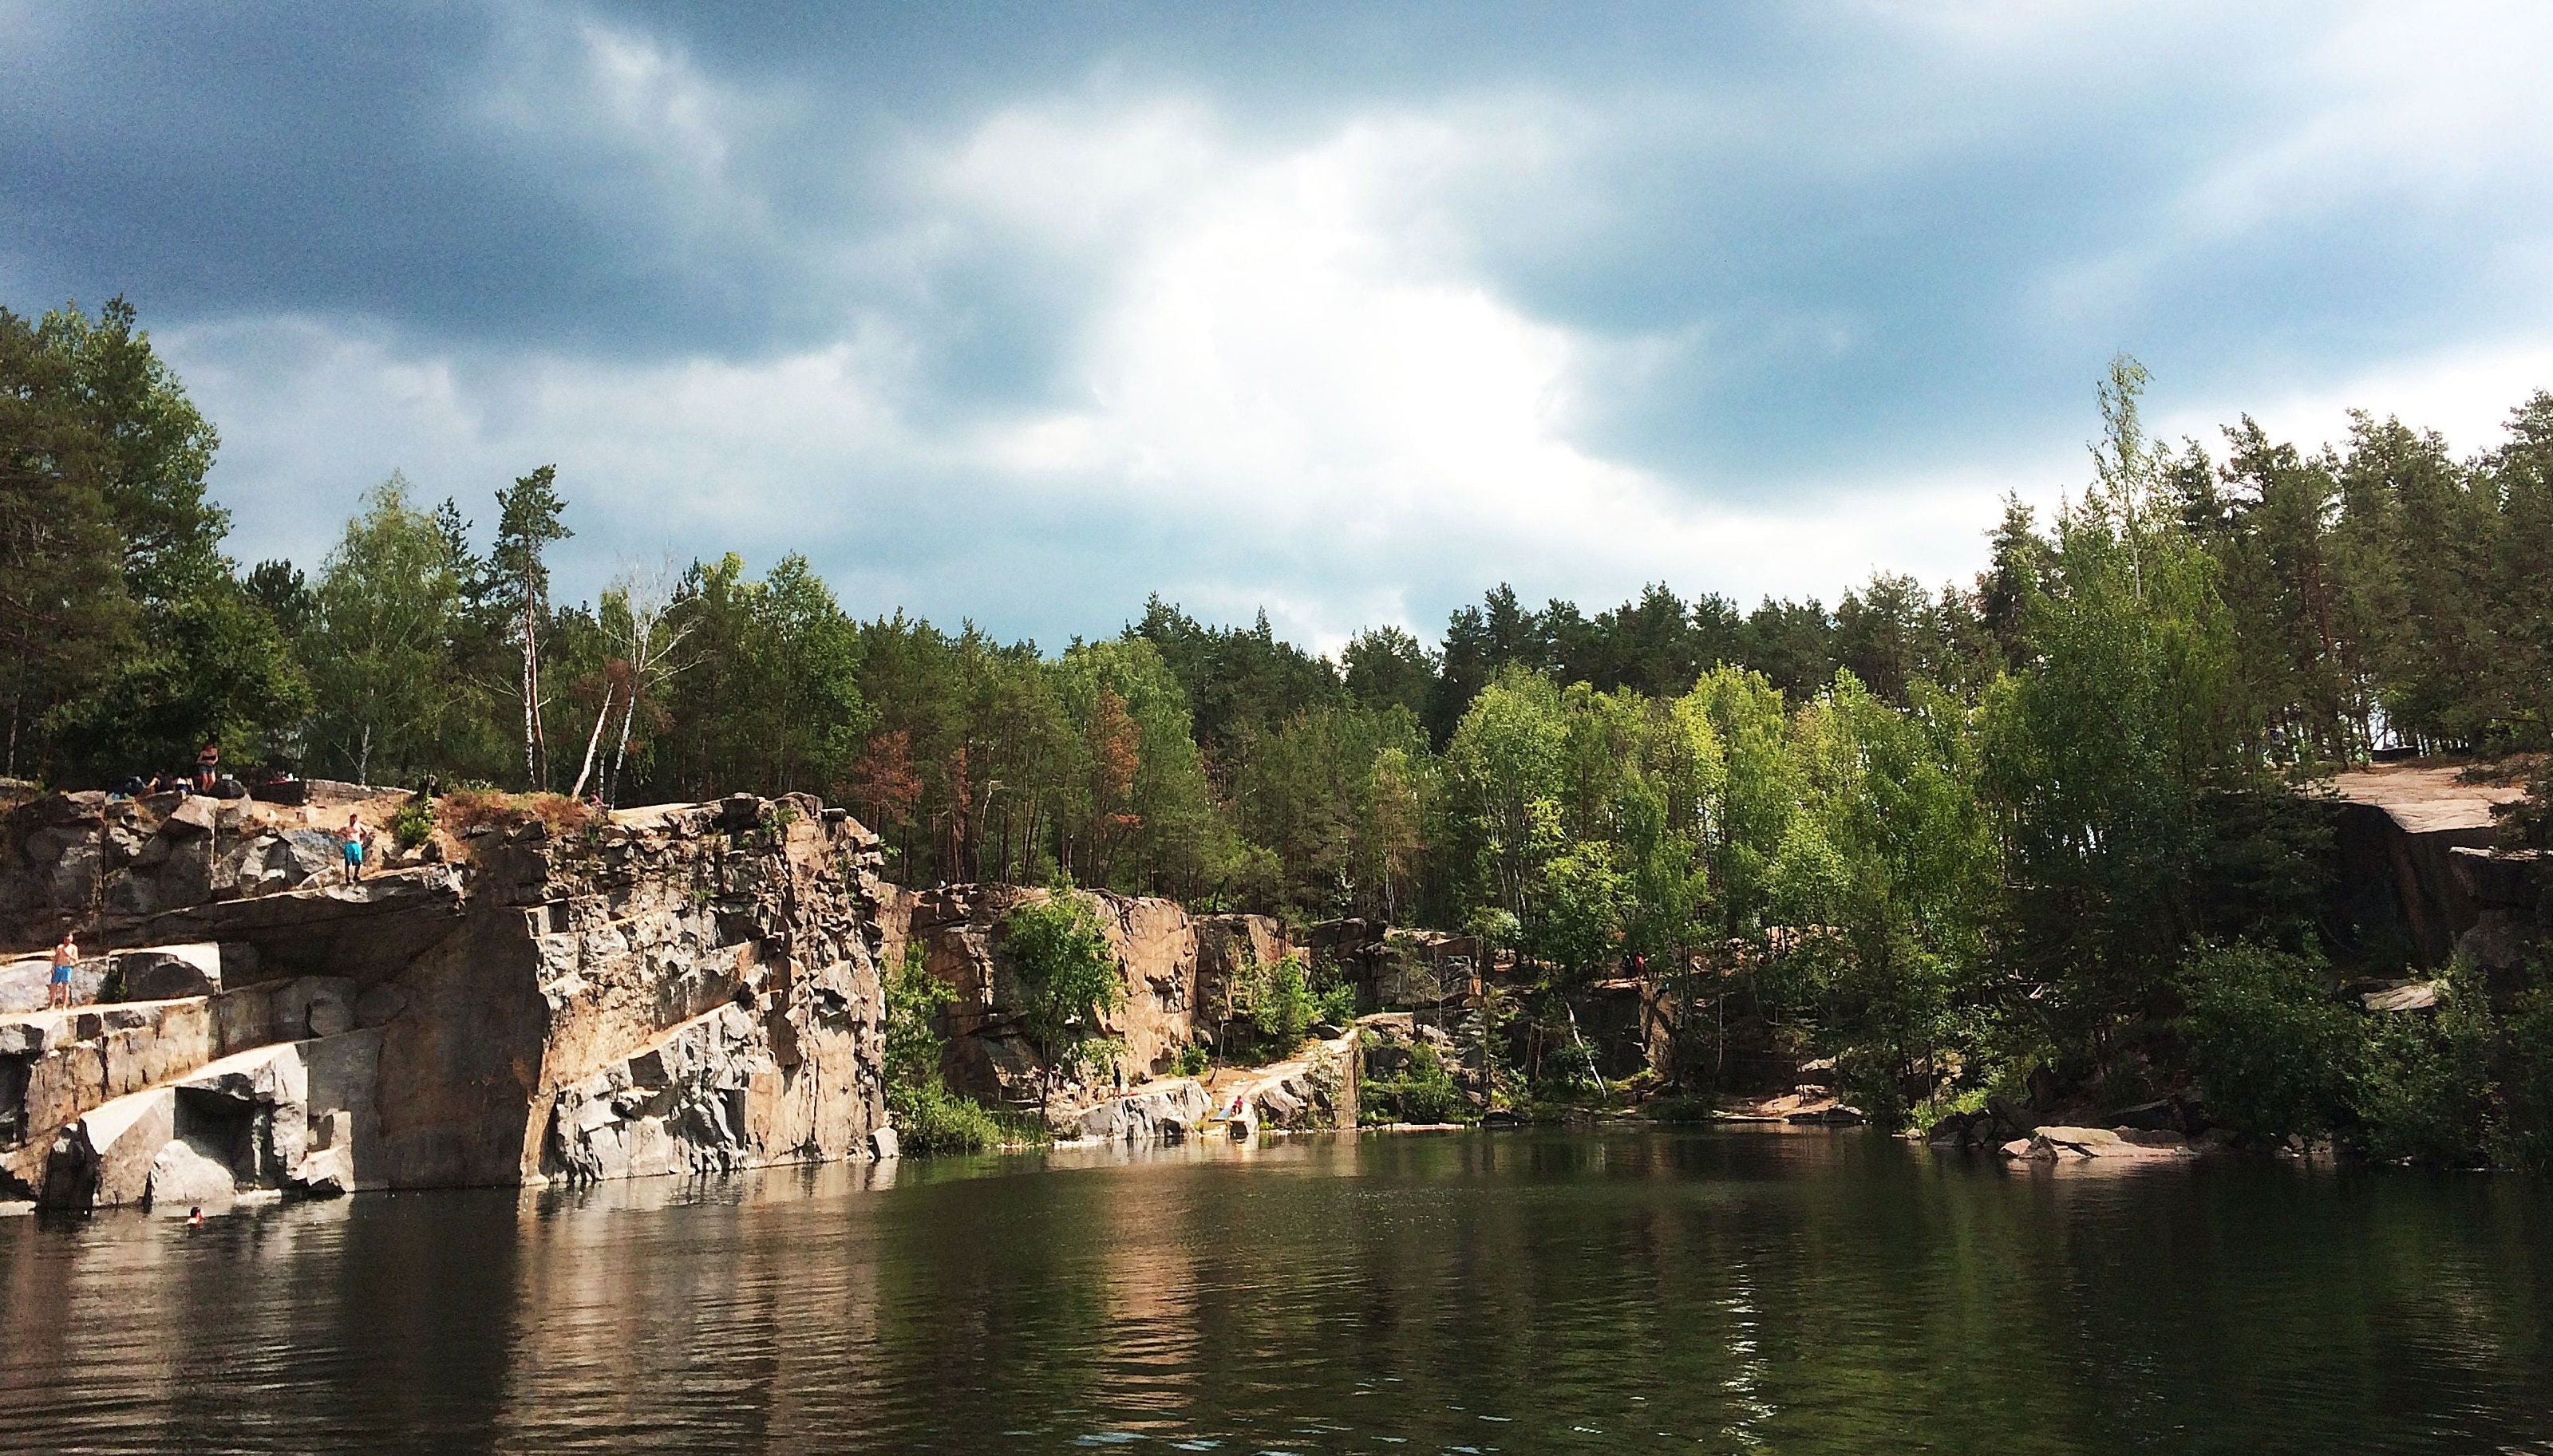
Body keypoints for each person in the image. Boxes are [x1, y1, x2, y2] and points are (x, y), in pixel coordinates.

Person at [48, 932, 78, 1010]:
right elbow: (56, 957)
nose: (66, 941)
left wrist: (68, 955)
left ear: (71, 940)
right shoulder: (60, 947)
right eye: (65, 939)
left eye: (68, 940)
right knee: (53, 986)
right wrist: (53, 967)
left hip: (66, 967)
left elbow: (76, 959)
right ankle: (52, 1005)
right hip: (58, 967)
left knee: (65, 987)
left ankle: (64, 1005)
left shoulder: (73, 948)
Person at [342, 812, 370, 883]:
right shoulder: (346, 825)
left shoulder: (359, 825)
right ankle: (347, 878)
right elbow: (339, 831)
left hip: (357, 844)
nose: (353, 819)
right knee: (347, 862)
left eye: (354, 817)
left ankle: (355, 876)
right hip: (349, 844)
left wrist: (362, 840)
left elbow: (366, 832)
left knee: (358, 861)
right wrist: (344, 838)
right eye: (352, 817)